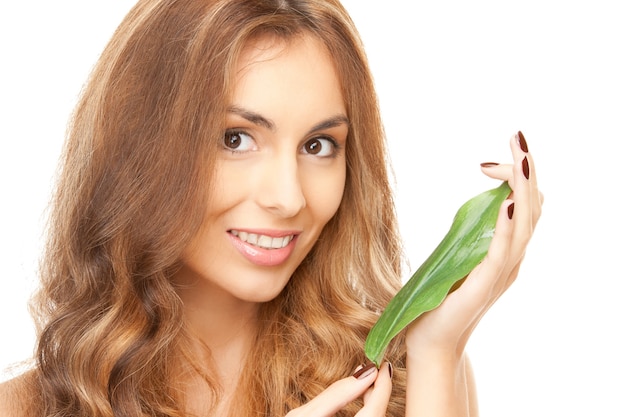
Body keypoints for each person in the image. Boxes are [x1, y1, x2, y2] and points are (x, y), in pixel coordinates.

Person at [0, 0, 542, 416]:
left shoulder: (407, 381)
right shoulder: (23, 408)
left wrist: (436, 353)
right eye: (235, 138)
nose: (289, 198)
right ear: (139, 148)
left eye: (318, 145)